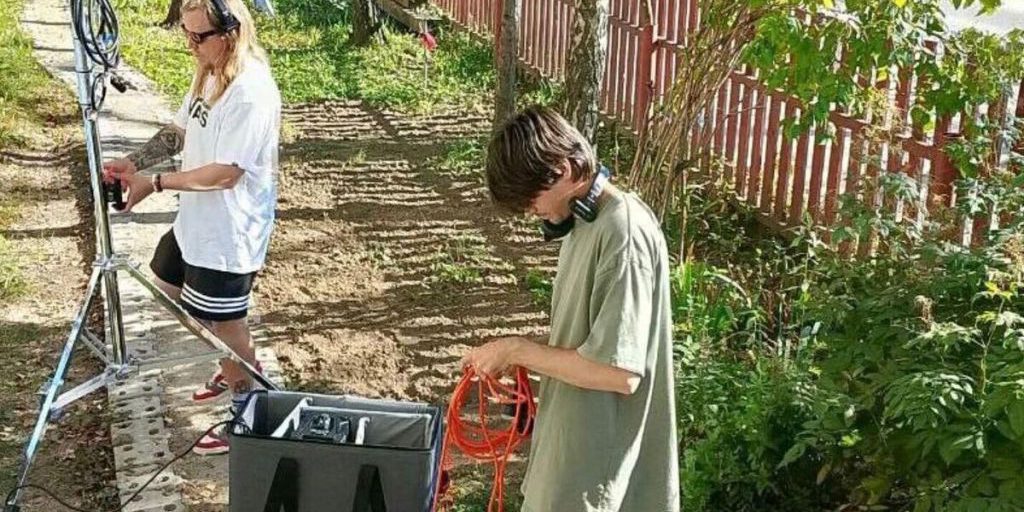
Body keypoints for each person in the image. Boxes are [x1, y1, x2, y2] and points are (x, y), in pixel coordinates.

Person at [462, 106, 680, 512]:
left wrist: (518, 350)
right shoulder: (586, 223)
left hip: (598, 480)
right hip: (570, 468)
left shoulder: (622, 233)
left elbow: (619, 372)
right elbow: (591, 341)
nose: (531, 211)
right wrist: (516, 352)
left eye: (531, 199)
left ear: (562, 169)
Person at [103, 0, 280, 455]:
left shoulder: (250, 90)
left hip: (228, 235)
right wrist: (135, 164)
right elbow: (180, 130)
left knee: (224, 322)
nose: (189, 45)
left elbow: (226, 174)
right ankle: (234, 364)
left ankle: (250, 406)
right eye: (186, 33)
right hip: (195, 224)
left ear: (231, 31)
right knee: (165, 285)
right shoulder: (210, 71)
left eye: (198, 36)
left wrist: (157, 182)